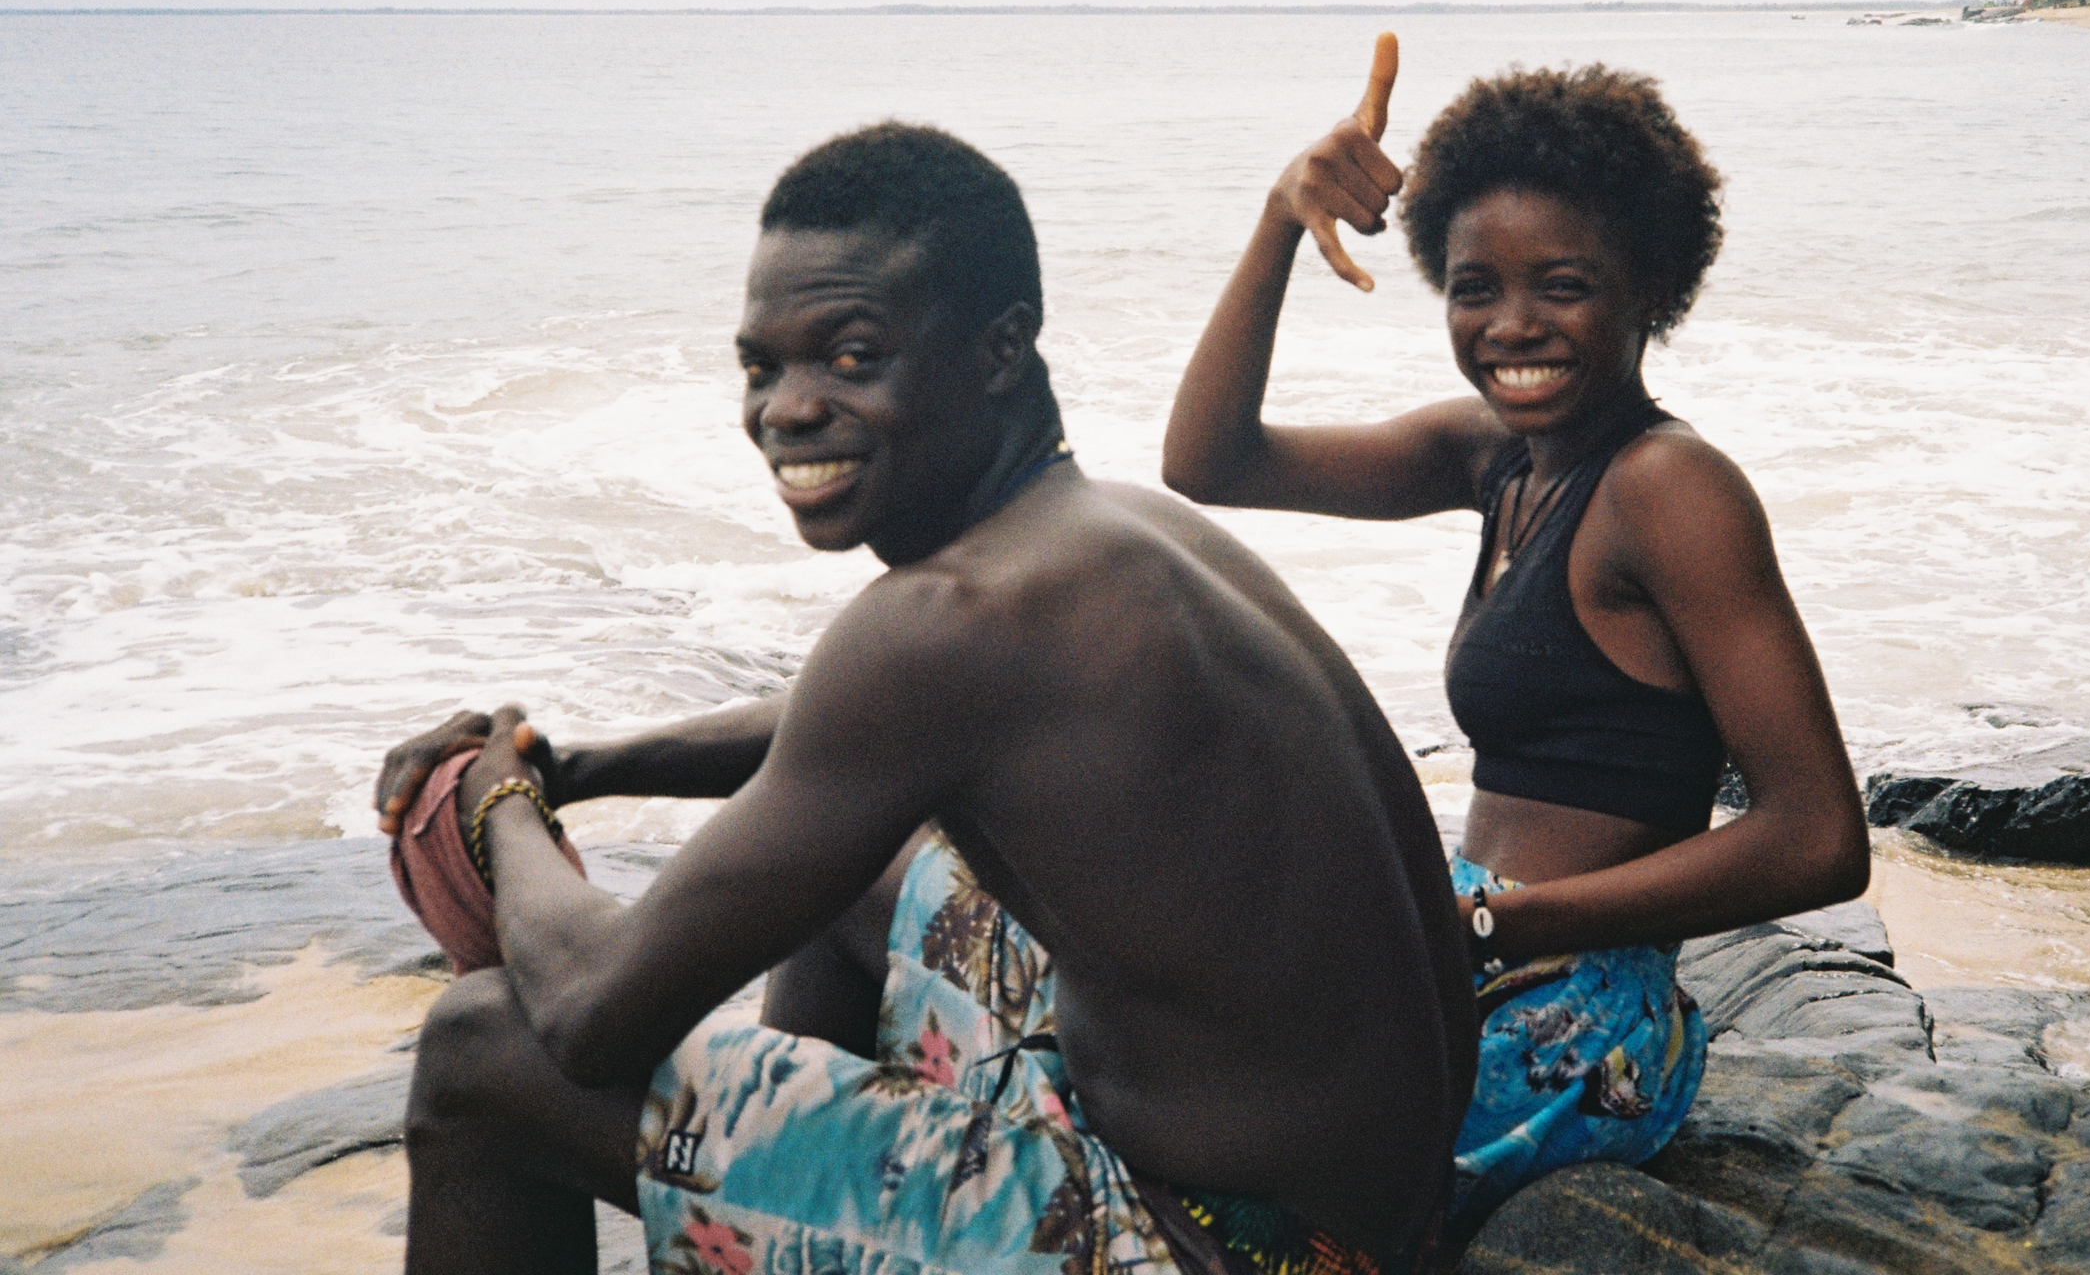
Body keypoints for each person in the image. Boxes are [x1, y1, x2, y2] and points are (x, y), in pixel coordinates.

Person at [374, 121, 1476, 1275]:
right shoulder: (1117, 531)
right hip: (1377, 1218)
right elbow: (843, 745)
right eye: (763, 365)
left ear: (1001, 351)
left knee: (477, 1056)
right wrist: (586, 765)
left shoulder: (946, 625)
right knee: (858, 880)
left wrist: (499, 803)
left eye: (852, 357)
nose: (788, 408)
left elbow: (595, 1012)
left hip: (1215, 1246)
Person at [1160, 37, 1869, 1242]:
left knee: (1193, 1172)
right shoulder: (1498, 459)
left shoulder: (1670, 488)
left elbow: (1818, 840)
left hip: (1575, 1011)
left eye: (1564, 284)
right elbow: (1208, 463)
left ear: (1650, 289)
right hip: (1478, 949)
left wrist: (1499, 926)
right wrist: (1283, 215)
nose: (1511, 325)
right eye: (1475, 286)